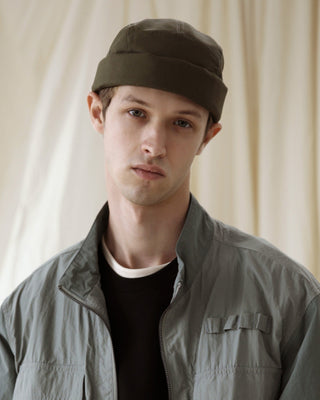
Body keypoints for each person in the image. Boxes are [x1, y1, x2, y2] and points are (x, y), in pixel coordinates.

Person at [0, 18, 319, 400]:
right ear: (97, 112)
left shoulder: (289, 299)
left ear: (206, 137)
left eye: (181, 123)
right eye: (136, 113)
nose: (154, 144)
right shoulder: (25, 314)